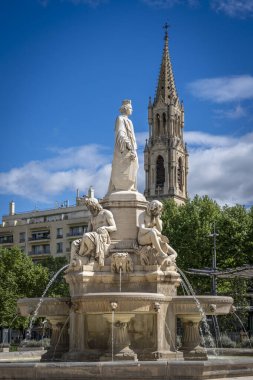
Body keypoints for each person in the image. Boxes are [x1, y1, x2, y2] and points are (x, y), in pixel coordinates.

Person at [70, 198, 117, 267]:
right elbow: (89, 231)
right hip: (92, 236)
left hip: (102, 236)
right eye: (88, 208)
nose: (90, 209)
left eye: (91, 207)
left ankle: (92, 258)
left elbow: (114, 227)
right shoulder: (91, 217)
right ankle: (73, 262)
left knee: (86, 236)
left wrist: (104, 227)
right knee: (74, 243)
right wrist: (82, 241)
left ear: (95, 205)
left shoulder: (106, 213)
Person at [107, 99, 138, 194]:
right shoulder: (120, 119)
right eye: (131, 108)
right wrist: (128, 144)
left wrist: (132, 148)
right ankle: (123, 187)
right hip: (124, 148)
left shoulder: (130, 122)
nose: (132, 110)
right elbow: (121, 133)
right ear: (126, 109)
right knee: (124, 167)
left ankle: (131, 186)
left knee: (135, 166)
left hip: (131, 149)